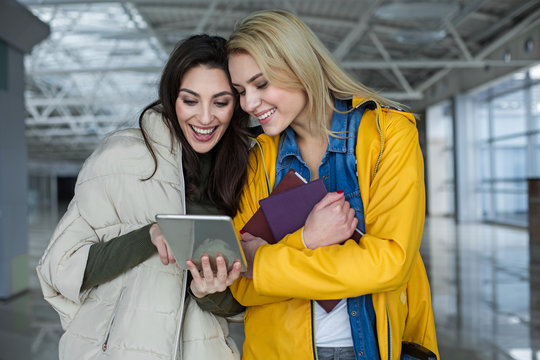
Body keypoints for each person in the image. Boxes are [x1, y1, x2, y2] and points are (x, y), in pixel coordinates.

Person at [226, 10, 439, 360]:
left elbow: (391, 263)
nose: (249, 104)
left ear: (299, 66)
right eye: (240, 91)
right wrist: (308, 239)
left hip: (373, 349)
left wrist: (262, 263)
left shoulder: (390, 137)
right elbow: (242, 288)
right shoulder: (258, 160)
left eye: (261, 84)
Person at [36, 34, 250, 360]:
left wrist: (207, 292)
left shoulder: (242, 175)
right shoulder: (120, 156)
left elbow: (240, 305)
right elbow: (59, 269)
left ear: (236, 104)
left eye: (220, 102)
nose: (205, 118)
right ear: (170, 96)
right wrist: (149, 236)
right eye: (190, 101)